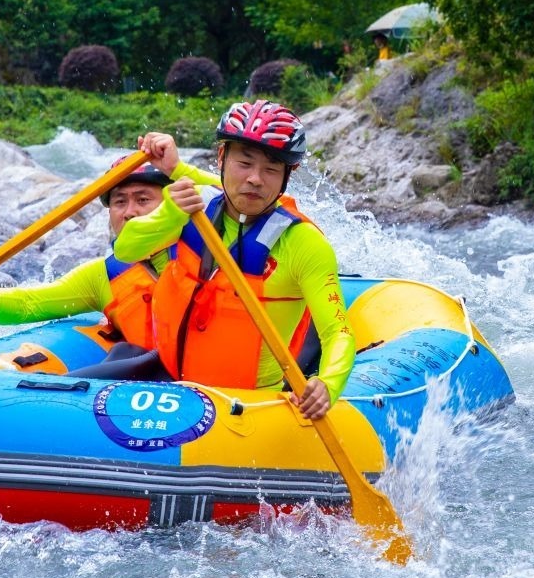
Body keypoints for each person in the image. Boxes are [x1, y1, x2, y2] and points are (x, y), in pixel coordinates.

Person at [108, 100, 356, 420]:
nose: (255, 179)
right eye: (245, 163)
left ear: (286, 176)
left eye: (270, 169)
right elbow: (126, 250)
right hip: (171, 384)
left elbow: (338, 332)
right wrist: (169, 212)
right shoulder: (193, 206)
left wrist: (329, 384)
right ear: (222, 158)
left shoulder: (304, 243)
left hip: (248, 406)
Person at [0, 133, 218, 352]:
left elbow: (242, 199)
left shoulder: (209, 242)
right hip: (160, 384)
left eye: (143, 199)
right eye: (120, 202)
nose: (129, 211)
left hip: (226, 385)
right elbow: (30, 304)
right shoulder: (102, 276)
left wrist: (180, 170)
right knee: (124, 358)